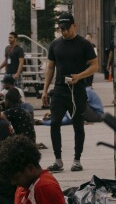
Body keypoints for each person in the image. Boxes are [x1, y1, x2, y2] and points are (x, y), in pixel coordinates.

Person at [41, 13, 99, 173]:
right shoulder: (55, 45)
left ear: (75, 26)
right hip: (59, 89)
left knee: (78, 125)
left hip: (77, 90)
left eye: (67, 28)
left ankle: (77, 160)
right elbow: (50, 68)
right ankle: (58, 160)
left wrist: (79, 76)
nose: (64, 32)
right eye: (61, 29)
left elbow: (95, 66)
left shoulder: (84, 44)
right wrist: (45, 90)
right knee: (54, 123)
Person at [36, 85, 103, 125]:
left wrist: (42, 122)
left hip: (97, 116)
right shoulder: (82, 90)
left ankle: (54, 118)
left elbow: (78, 103)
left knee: (74, 103)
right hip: (92, 113)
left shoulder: (86, 91)